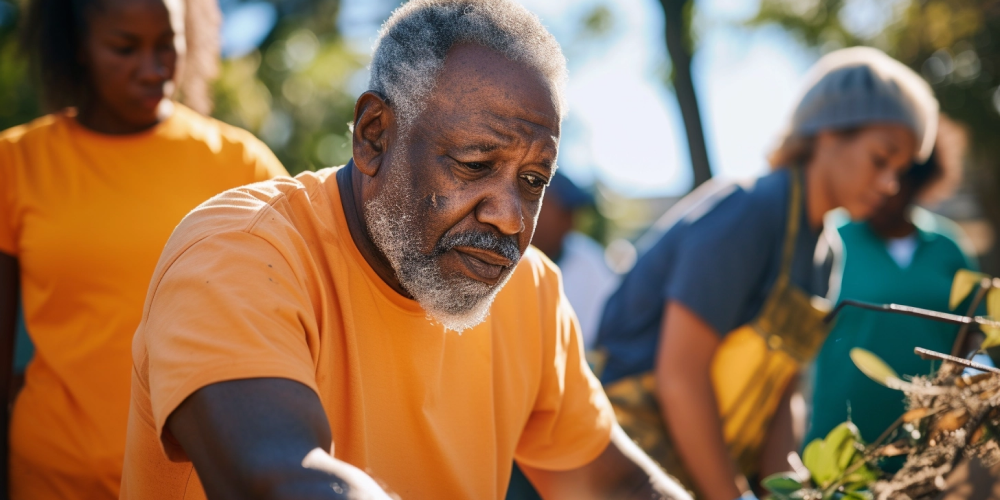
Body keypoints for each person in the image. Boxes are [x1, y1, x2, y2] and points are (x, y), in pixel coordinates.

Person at [118, 1, 691, 499]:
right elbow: (282, 482)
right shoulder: (238, 254)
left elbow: (614, 486)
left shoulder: (531, 292)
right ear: (374, 135)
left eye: (533, 180)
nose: (511, 216)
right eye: (475, 165)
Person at [594, 46, 939, 500]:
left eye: (900, 170)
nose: (891, 183)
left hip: (700, 473)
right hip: (622, 460)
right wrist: (734, 496)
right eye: (881, 158)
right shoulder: (747, 213)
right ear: (828, 133)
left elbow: (783, 395)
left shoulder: (827, 253)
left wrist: (785, 491)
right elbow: (681, 375)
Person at [0, 0, 289, 496]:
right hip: (51, 477)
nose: (154, 69)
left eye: (167, 46)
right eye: (125, 48)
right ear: (77, 48)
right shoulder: (16, 162)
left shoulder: (241, 165)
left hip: (190, 481)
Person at [808, 123, 976, 452]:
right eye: (876, 170)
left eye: (900, 176)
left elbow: (974, 334)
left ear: (919, 180)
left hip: (934, 440)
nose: (886, 187)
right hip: (843, 441)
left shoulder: (948, 246)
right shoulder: (830, 240)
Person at [531, 172, 619, 349]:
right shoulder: (491, 258)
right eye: (564, 212)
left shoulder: (588, 259)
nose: (571, 223)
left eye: (573, 213)